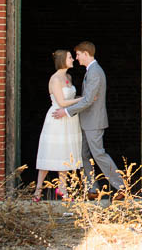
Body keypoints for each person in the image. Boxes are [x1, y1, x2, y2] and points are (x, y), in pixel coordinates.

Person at [53, 41, 125, 199]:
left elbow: (88, 101)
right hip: (86, 121)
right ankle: (92, 189)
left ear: (86, 54)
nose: (77, 58)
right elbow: (86, 99)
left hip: (94, 122)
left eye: (78, 55)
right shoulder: (90, 71)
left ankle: (121, 186)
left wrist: (66, 111)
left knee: (98, 154)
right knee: (83, 155)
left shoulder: (95, 72)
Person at [33, 49, 83, 202]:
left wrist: (82, 99)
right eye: (69, 57)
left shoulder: (68, 76)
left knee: (65, 152)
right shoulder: (55, 79)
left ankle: (62, 189)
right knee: (50, 151)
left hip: (69, 118)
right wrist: (82, 99)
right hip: (57, 118)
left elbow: (70, 99)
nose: (73, 59)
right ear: (62, 60)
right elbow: (61, 102)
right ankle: (38, 190)